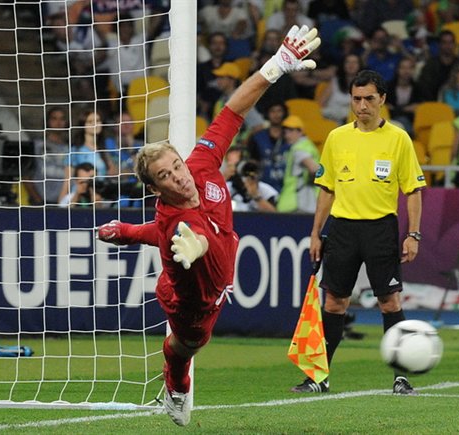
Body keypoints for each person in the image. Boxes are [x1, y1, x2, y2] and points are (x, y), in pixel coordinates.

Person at [97, 24, 321, 426]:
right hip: (192, 301)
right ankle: (176, 388)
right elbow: (194, 240)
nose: (178, 176)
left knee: (173, 241)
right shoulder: (173, 222)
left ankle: (125, 233)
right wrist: (192, 246)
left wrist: (276, 65)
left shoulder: (200, 164)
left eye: (176, 165)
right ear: (155, 189)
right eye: (165, 176)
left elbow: (233, 110)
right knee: (182, 348)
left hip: (213, 263)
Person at [291, 69, 426, 395]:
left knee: (389, 302)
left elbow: (413, 191)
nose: (362, 105)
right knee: (335, 303)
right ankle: (319, 378)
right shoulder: (337, 138)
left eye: (368, 98)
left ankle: (401, 376)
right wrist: (315, 233)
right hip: (343, 229)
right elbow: (326, 190)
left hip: (381, 228)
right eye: (356, 98)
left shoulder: (398, 139)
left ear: (382, 99)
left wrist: (413, 235)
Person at [276, 115, 320, 213]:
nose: (287, 135)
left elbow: (314, 169)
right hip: (305, 202)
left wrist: (311, 179)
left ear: (300, 131)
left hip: (298, 202)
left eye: (291, 131)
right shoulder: (308, 145)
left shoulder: (299, 149)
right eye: (285, 132)